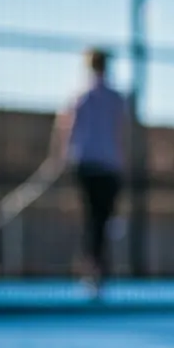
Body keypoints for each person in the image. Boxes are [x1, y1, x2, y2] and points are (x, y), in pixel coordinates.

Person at [54, 48, 127, 298]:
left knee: (94, 220)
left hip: (89, 165)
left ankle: (93, 270)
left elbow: (67, 127)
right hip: (107, 165)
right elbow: (123, 132)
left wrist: (62, 156)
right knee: (100, 221)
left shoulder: (82, 97)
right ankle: (96, 270)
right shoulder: (115, 98)